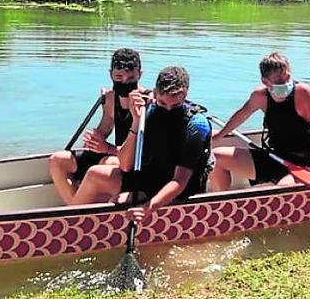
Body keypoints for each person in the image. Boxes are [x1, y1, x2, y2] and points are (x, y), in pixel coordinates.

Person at [71, 67, 213, 223]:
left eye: (175, 105)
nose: (168, 110)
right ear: (155, 92)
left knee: (118, 201)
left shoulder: (197, 126)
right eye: (162, 103)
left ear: (185, 96)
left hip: (179, 188)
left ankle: (79, 225)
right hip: (151, 176)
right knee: (95, 174)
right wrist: (136, 121)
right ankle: (71, 220)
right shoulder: (149, 111)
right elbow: (125, 165)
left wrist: (147, 207)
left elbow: (180, 181)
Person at [207, 53, 310, 191]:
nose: (286, 83)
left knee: (283, 189)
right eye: (279, 82)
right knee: (216, 157)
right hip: (271, 157)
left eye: (287, 78)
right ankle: (221, 203)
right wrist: (219, 136)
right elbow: (241, 115)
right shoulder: (259, 96)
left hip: (298, 165)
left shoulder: (303, 93)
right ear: (265, 81)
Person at [48, 48, 144, 206]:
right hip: (116, 156)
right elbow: (105, 129)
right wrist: (94, 139)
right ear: (110, 74)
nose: (125, 82)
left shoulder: (147, 103)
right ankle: (77, 207)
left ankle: (73, 215)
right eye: (119, 77)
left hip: (134, 168)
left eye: (131, 77)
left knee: (101, 167)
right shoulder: (111, 99)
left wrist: (106, 148)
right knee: (57, 160)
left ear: (139, 75)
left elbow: (137, 159)